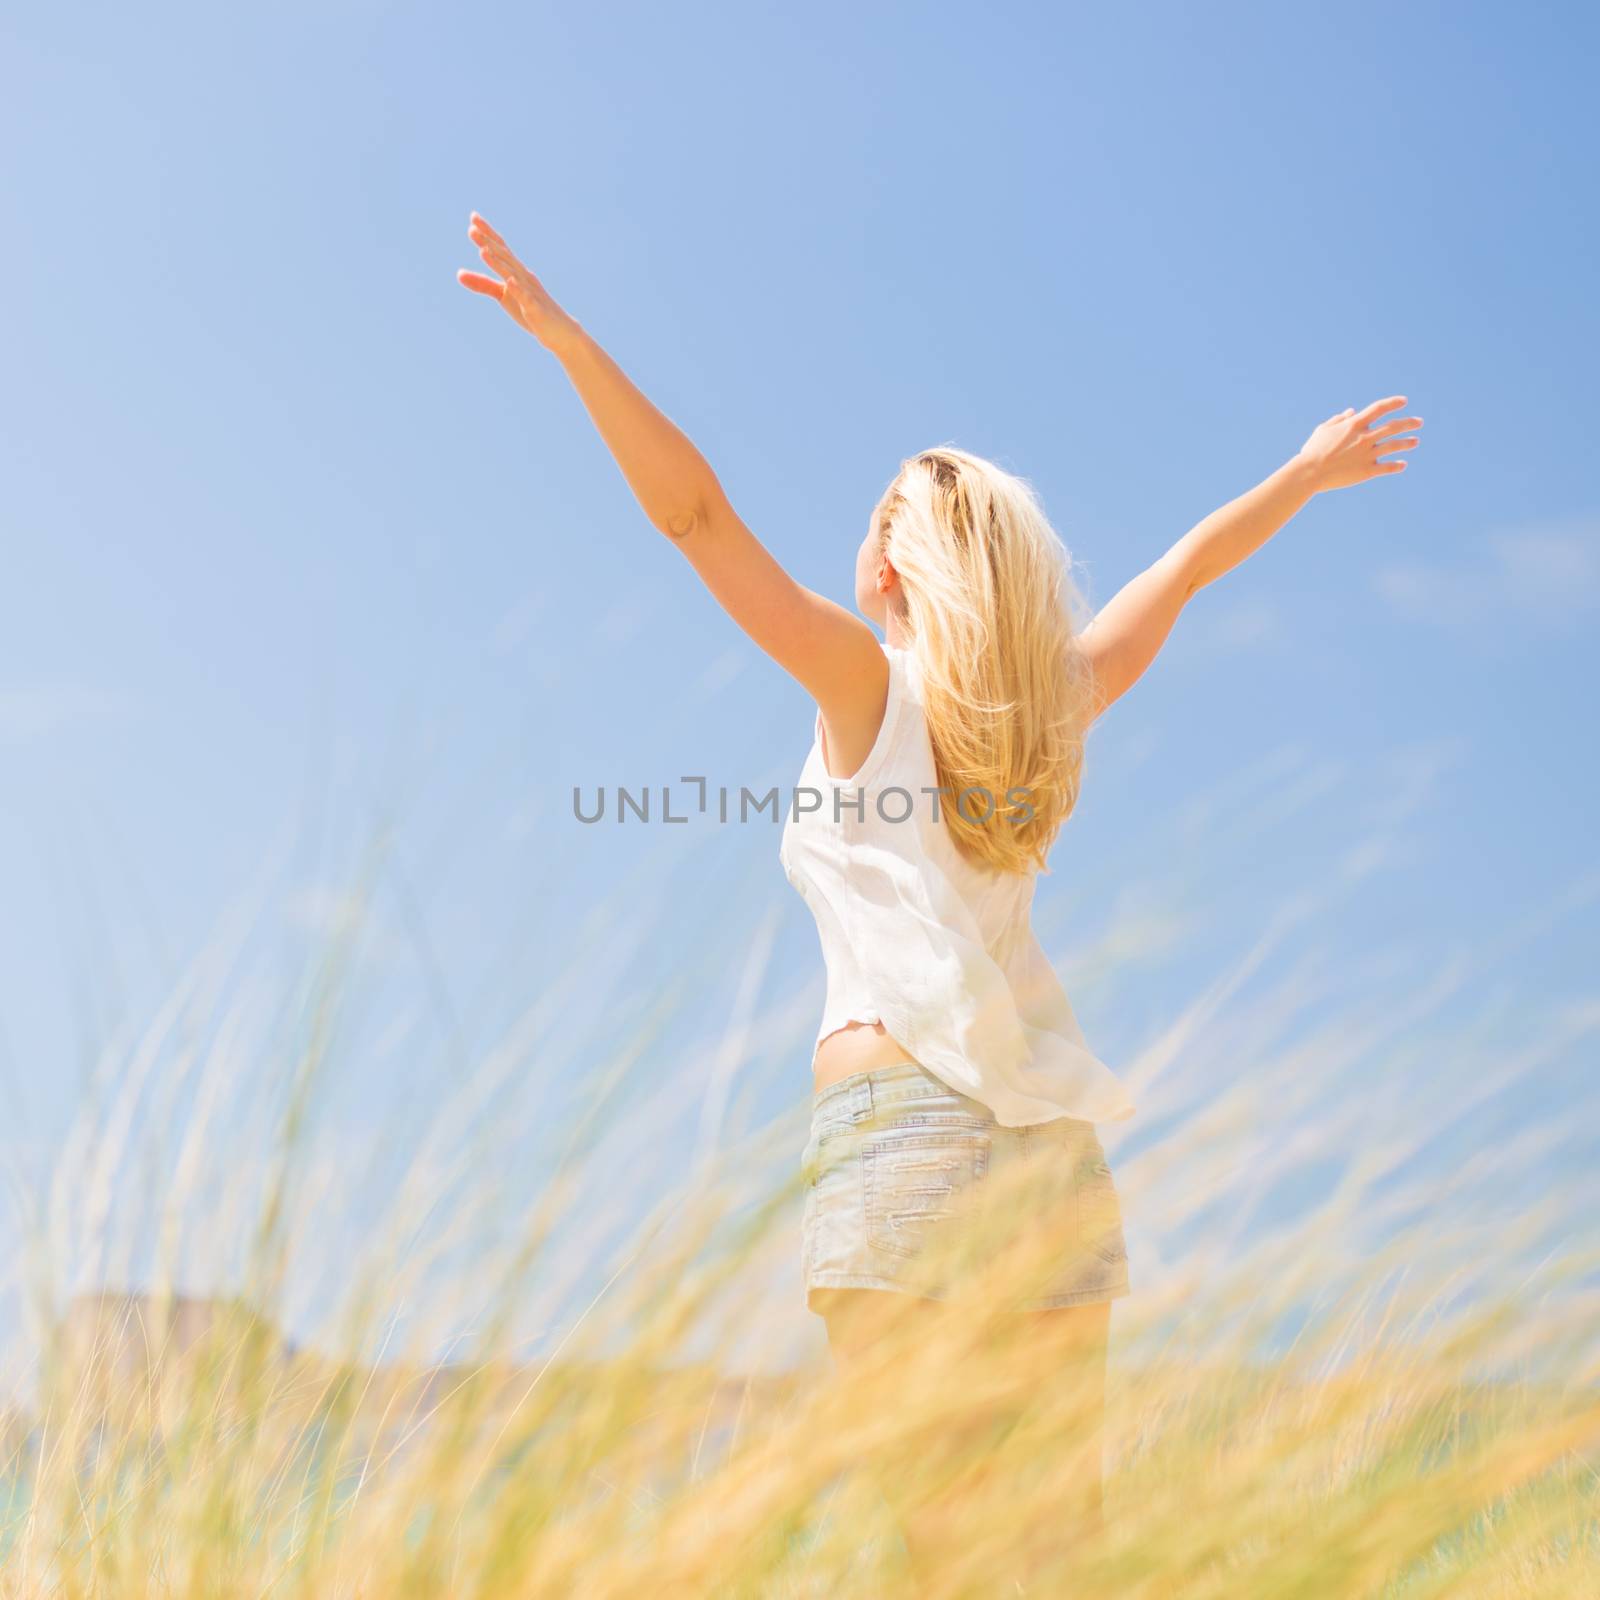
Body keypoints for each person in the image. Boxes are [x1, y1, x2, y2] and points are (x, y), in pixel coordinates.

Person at [457, 212, 1423, 1586]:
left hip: (904, 1128)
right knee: (1054, 1551)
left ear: (892, 568)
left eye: (871, 525)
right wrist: (1304, 474)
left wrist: (566, 342)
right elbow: (1187, 569)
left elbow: (694, 516)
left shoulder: (863, 685)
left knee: (939, 1551)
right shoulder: (1055, 708)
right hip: (1048, 1150)